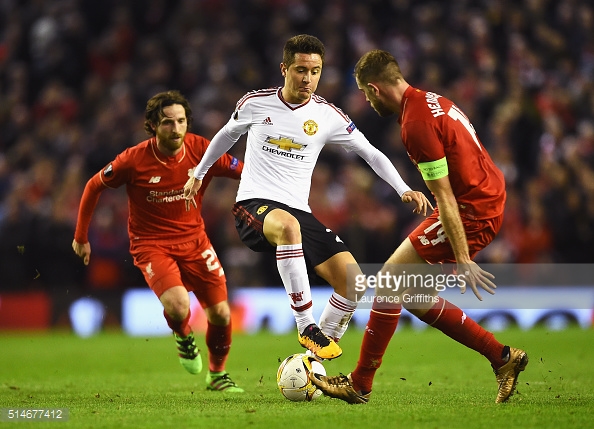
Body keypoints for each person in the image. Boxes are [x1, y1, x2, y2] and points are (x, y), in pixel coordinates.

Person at [183, 35, 431, 360]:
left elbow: (370, 153)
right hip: (254, 206)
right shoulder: (255, 103)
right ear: (284, 68)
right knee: (288, 227)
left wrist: (403, 188)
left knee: (353, 281)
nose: (307, 79)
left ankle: (312, 366)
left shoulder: (327, 115)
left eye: (315, 71)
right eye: (301, 70)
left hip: (299, 212)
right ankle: (305, 326)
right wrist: (198, 173)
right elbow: (226, 136)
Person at [310, 49, 528, 404]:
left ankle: (360, 383)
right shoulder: (432, 100)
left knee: (390, 282)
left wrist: (462, 257)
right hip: (485, 195)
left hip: (472, 209)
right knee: (407, 293)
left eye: (366, 93)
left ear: (375, 89)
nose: (367, 100)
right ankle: (502, 357)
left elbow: (445, 197)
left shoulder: (414, 124)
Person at [72, 90, 245, 392]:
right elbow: (93, 185)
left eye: (180, 122)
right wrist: (81, 237)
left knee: (220, 313)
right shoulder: (133, 160)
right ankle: (183, 335)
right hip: (151, 244)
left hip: (196, 241)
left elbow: (242, 171)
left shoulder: (202, 149)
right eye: (167, 123)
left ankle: (217, 375)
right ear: (152, 125)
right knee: (179, 307)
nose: (175, 129)